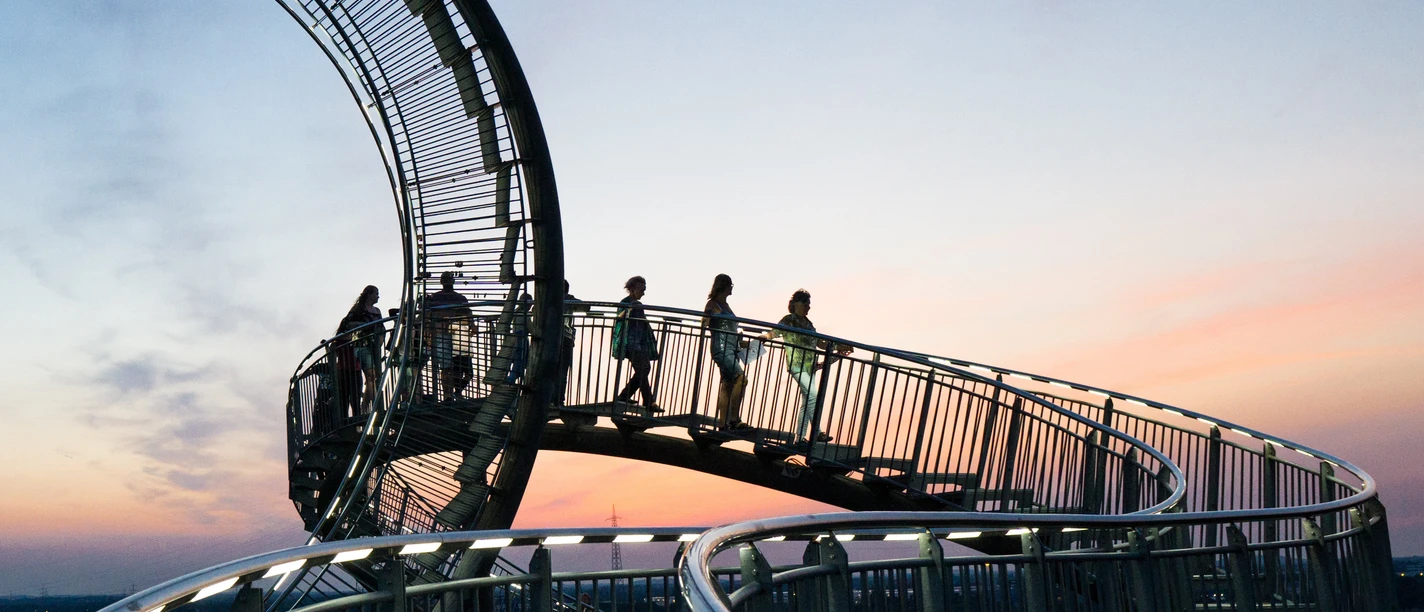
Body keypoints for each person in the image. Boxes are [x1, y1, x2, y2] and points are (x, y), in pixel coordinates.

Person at [761, 289, 853, 445]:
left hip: (810, 367)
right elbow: (775, 332)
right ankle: (816, 432)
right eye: (805, 303)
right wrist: (764, 337)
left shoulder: (809, 324)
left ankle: (800, 438)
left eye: (809, 304)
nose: (808, 307)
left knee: (807, 400)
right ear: (795, 304)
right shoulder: (788, 320)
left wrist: (840, 347)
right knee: (812, 395)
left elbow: (820, 343)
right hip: (797, 365)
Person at [704, 274, 748, 430]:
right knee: (741, 378)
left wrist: (739, 340)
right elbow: (706, 323)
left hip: (731, 347)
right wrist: (709, 317)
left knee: (727, 384)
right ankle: (734, 419)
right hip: (721, 348)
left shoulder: (725, 305)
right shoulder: (713, 304)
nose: (731, 288)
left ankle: (723, 423)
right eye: (731, 285)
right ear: (723, 286)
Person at [612, 276, 661, 412]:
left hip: (639, 344)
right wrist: (629, 310)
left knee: (644, 369)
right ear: (632, 289)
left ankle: (624, 395)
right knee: (643, 369)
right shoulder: (626, 302)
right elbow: (619, 317)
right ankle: (649, 402)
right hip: (630, 344)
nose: (643, 293)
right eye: (642, 289)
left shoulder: (638, 305)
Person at [425, 271, 472, 401]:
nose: (448, 282)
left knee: (459, 367)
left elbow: (469, 315)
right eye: (446, 279)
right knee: (447, 367)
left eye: (449, 279)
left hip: (457, 336)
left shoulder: (459, 298)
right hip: (442, 335)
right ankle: (448, 395)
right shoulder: (435, 298)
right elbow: (428, 317)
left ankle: (455, 392)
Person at [338, 285, 385, 413]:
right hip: (362, 345)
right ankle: (373, 406)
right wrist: (363, 325)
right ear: (369, 294)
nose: (378, 296)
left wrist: (380, 339)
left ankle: (366, 405)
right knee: (371, 375)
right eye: (376, 293)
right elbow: (346, 324)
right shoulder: (358, 309)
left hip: (375, 346)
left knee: (375, 377)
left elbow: (381, 327)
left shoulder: (377, 311)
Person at [556, 281, 590, 408]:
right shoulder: (569, 299)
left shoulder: (548, 299)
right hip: (565, 337)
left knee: (548, 370)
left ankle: (548, 398)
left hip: (548, 338)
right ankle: (559, 400)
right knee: (562, 370)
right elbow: (586, 307)